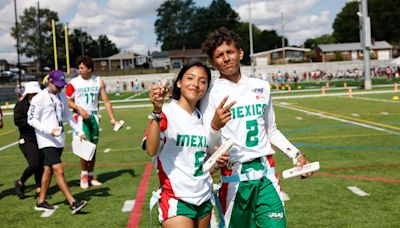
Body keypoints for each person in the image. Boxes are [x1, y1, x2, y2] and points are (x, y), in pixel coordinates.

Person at [200, 27, 313, 228]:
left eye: (230, 52)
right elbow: (209, 144)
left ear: (240, 53)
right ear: (212, 61)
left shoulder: (261, 86)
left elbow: (271, 130)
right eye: (219, 55)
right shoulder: (210, 93)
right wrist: (215, 126)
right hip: (234, 177)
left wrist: (296, 155)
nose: (226, 58)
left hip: (266, 174)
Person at [142, 62, 230, 228]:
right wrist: (156, 112)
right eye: (190, 78)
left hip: (203, 196)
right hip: (176, 198)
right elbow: (151, 150)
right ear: (179, 82)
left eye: (202, 81)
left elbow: (200, 165)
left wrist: (216, 163)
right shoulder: (167, 113)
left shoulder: (203, 118)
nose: (196, 84)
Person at [28, 70, 87, 214]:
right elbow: (31, 119)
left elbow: (67, 115)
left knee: (48, 171)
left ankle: (41, 201)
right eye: (58, 85)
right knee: (59, 170)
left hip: (59, 140)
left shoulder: (61, 95)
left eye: (62, 85)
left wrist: (79, 131)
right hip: (46, 140)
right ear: (49, 82)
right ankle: (73, 202)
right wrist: (49, 130)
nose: (60, 88)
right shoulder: (39, 98)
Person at [66, 56, 120, 189]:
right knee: (85, 146)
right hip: (80, 117)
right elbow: (67, 100)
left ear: (89, 69)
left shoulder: (98, 81)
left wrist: (113, 119)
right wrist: (79, 108)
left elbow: (106, 101)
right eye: (79, 67)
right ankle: (84, 174)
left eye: (82, 67)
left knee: (93, 147)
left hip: (94, 116)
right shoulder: (74, 82)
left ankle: (90, 175)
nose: (80, 70)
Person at [13, 81, 43, 199]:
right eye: (33, 93)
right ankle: (20, 182)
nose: (36, 95)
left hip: (40, 137)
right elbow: (18, 122)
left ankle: (39, 188)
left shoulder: (41, 103)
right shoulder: (21, 105)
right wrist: (31, 120)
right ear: (28, 93)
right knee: (34, 163)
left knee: (40, 164)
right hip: (26, 139)